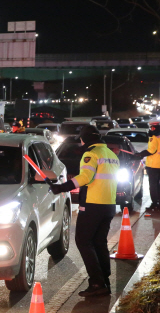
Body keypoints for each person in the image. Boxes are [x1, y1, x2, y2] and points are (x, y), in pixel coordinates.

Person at [48, 125, 119, 297]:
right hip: (108, 205)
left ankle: (96, 282)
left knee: (84, 241)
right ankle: (104, 281)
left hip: (92, 205)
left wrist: (62, 187)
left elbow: (86, 177)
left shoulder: (91, 154)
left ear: (85, 139)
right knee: (99, 243)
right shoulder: (111, 154)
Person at [132, 121, 160, 210]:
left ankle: (155, 204)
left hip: (153, 164)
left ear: (154, 128)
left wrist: (140, 154)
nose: (151, 129)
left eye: (152, 128)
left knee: (153, 185)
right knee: (157, 183)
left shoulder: (154, 137)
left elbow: (151, 151)